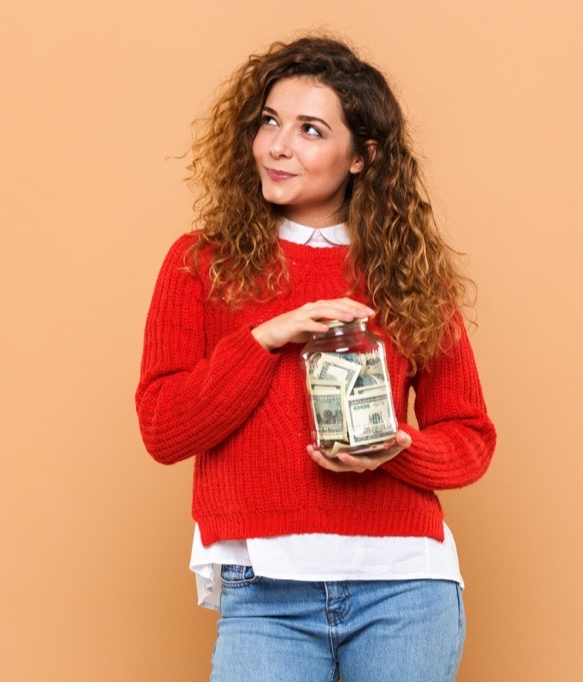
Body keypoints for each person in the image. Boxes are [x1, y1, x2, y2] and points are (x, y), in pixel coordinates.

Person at [136, 35, 496, 682]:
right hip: (265, 591)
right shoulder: (200, 263)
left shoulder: (408, 273)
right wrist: (267, 338)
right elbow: (164, 430)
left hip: (405, 587)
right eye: (270, 122)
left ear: (362, 156)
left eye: (310, 129)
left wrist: (396, 447)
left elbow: (469, 438)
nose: (279, 145)